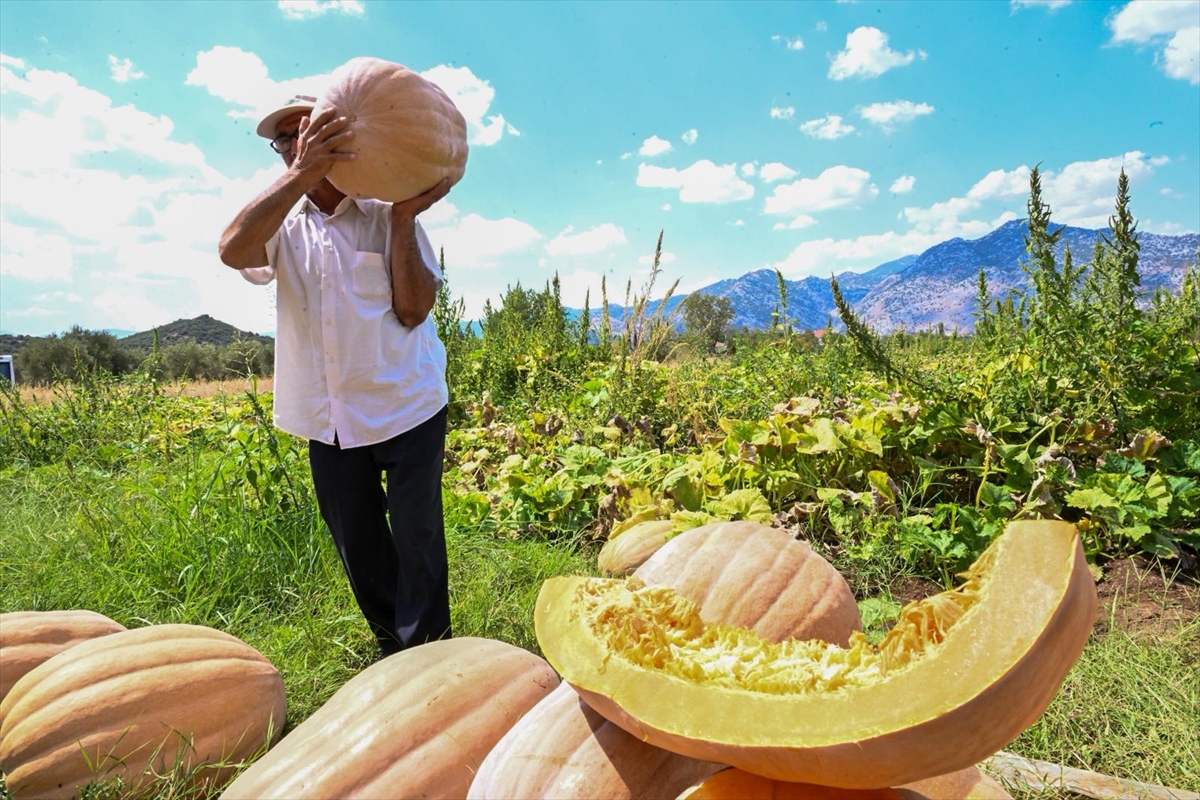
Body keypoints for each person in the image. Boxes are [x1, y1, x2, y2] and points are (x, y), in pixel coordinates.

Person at [218, 92, 454, 658]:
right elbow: (232, 250)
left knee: (417, 534)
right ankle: (393, 648)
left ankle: (432, 652)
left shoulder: (384, 206)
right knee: (358, 541)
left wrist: (402, 217)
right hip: (328, 418)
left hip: (406, 403)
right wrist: (301, 177)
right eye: (286, 139)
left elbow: (414, 309)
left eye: (309, 128)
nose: (297, 143)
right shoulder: (281, 222)